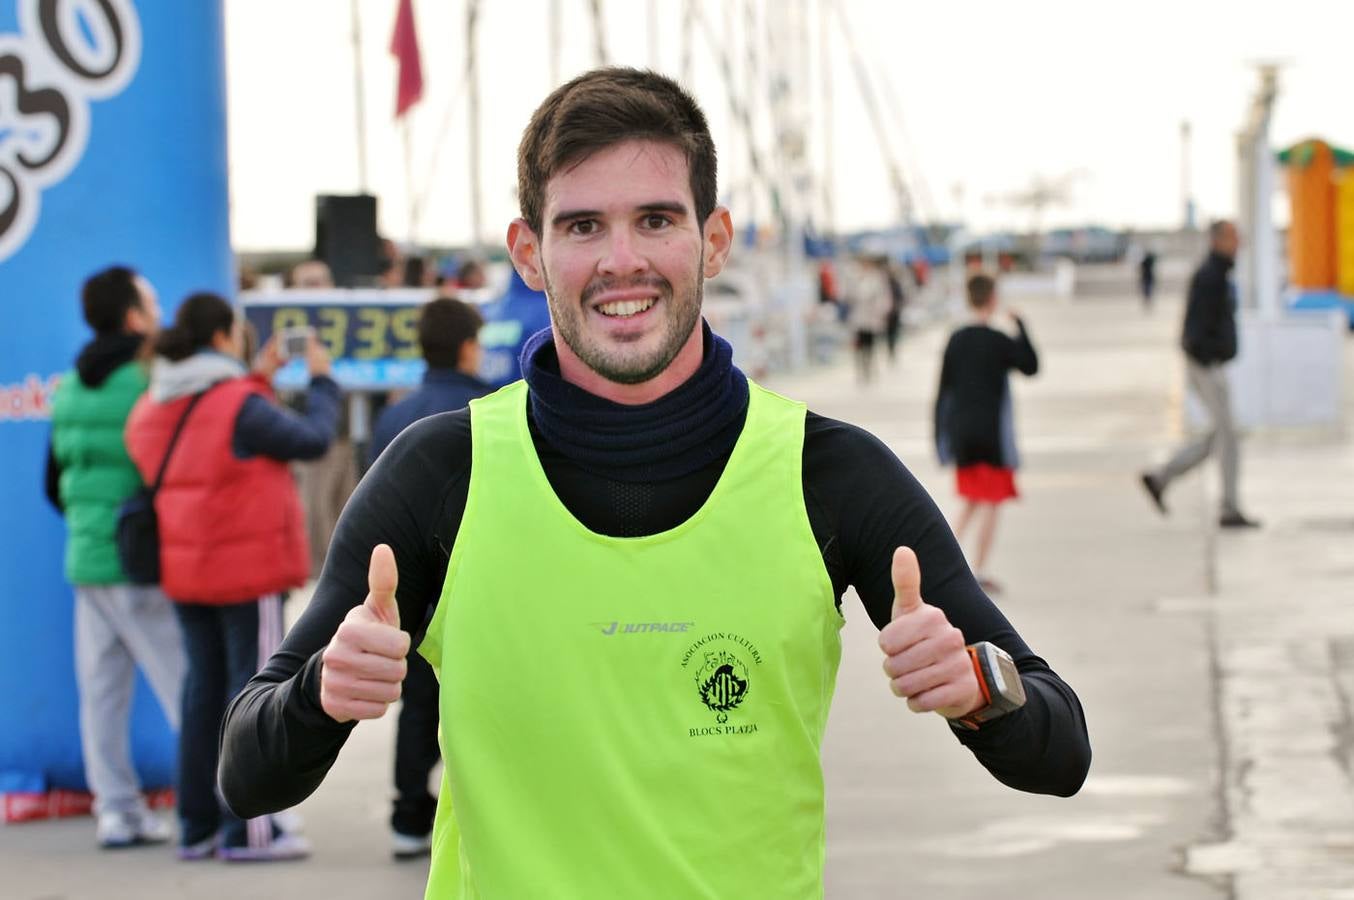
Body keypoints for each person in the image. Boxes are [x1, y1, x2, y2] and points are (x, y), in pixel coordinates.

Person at [221, 68, 1089, 897]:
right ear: (529, 253)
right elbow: (246, 774)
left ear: (713, 239)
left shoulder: (826, 472)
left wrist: (981, 687)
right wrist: (319, 695)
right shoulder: (444, 471)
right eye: (583, 226)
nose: (622, 260)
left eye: (656, 220)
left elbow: (1061, 749)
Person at [125, 292, 339, 861]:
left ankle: (197, 826)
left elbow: (218, 445)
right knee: (254, 694)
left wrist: (257, 379)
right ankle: (249, 828)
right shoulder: (237, 402)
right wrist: (322, 381)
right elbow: (312, 438)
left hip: (187, 569)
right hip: (247, 572)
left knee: (202, 694)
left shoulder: (155, 402)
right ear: (223, 337)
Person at [45, 266, 185, 849]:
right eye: (150, 302)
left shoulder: (71, 386)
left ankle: (116, 811)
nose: (157, 313)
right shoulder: (150, 378)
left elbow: (52, 481)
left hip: (85, 559)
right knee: (187, 689)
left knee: (101, 693)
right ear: (132, 316)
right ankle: (237, 806)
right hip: (140, 559)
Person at [367, 297, 489, 859]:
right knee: (489, 702)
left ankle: (408, 814)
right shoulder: (496, 408)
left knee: (417, 704)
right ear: (468, 345)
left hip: (413, 583)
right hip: (483, 583)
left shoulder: (393, 416)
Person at [1140, 220, 1259, 528]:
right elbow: (1194, 328)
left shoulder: (1219, 273)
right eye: (1234, 237)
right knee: (1227, 435)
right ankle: (1228, 507)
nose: (1239, 243)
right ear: (1219, 240)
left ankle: (1162, 477)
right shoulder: (1210, 276)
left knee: (1223, 434)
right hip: (1206, 365)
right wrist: (1207, 359)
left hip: (1212, 364)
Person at [933, 273, 1039, 595]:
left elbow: (943, 393)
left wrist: (941, 437)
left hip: (962, 434)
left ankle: (938, 561)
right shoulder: (998, 341)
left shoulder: (956, 339)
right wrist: (1021, 324)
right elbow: (1031, 365)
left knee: (972, 501)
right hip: (991, 436)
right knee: (988, 502)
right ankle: (976, 569)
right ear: (992, 299)